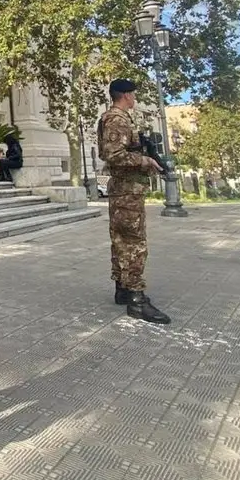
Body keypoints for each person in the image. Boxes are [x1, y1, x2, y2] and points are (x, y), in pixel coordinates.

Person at [97, 78, 171, 325]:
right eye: (133, 94)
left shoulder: (113, 119)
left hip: (123, 190)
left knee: (121, 239)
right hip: (127, 191)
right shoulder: (117, 119)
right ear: (126, 95)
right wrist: (145, 161)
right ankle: (137, 300)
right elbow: (114, 155)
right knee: (133, 242)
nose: (135, 98)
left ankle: (123, 289)